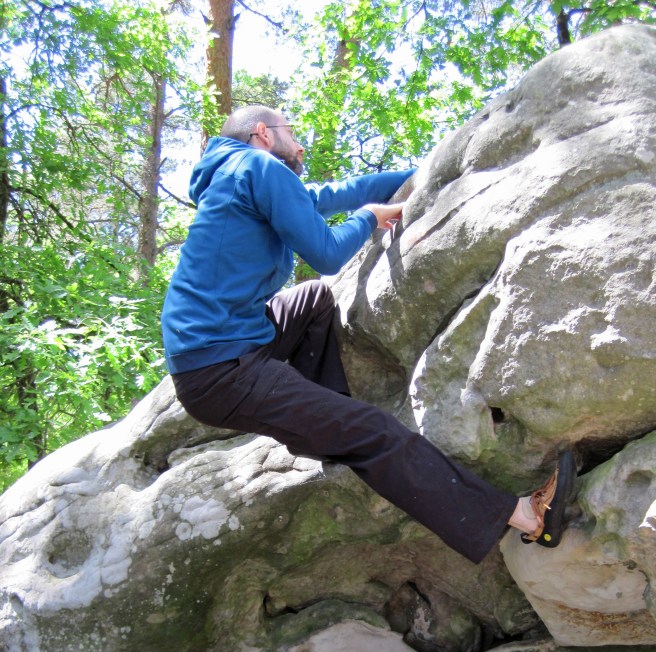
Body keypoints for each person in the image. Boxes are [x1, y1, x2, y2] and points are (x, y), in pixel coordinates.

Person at [161, 105, 574, 564]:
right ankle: (525, 517)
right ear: (263, 133)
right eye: (291, 133)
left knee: (313, 298)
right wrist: (368, 218)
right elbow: (327, 255)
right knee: (375, 432)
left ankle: (326, 430)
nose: (300, 146)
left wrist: (429, 172)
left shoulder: (233, 174)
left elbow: (333, 194)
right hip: (222, 370)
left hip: (225, 347)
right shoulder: (257, 166)